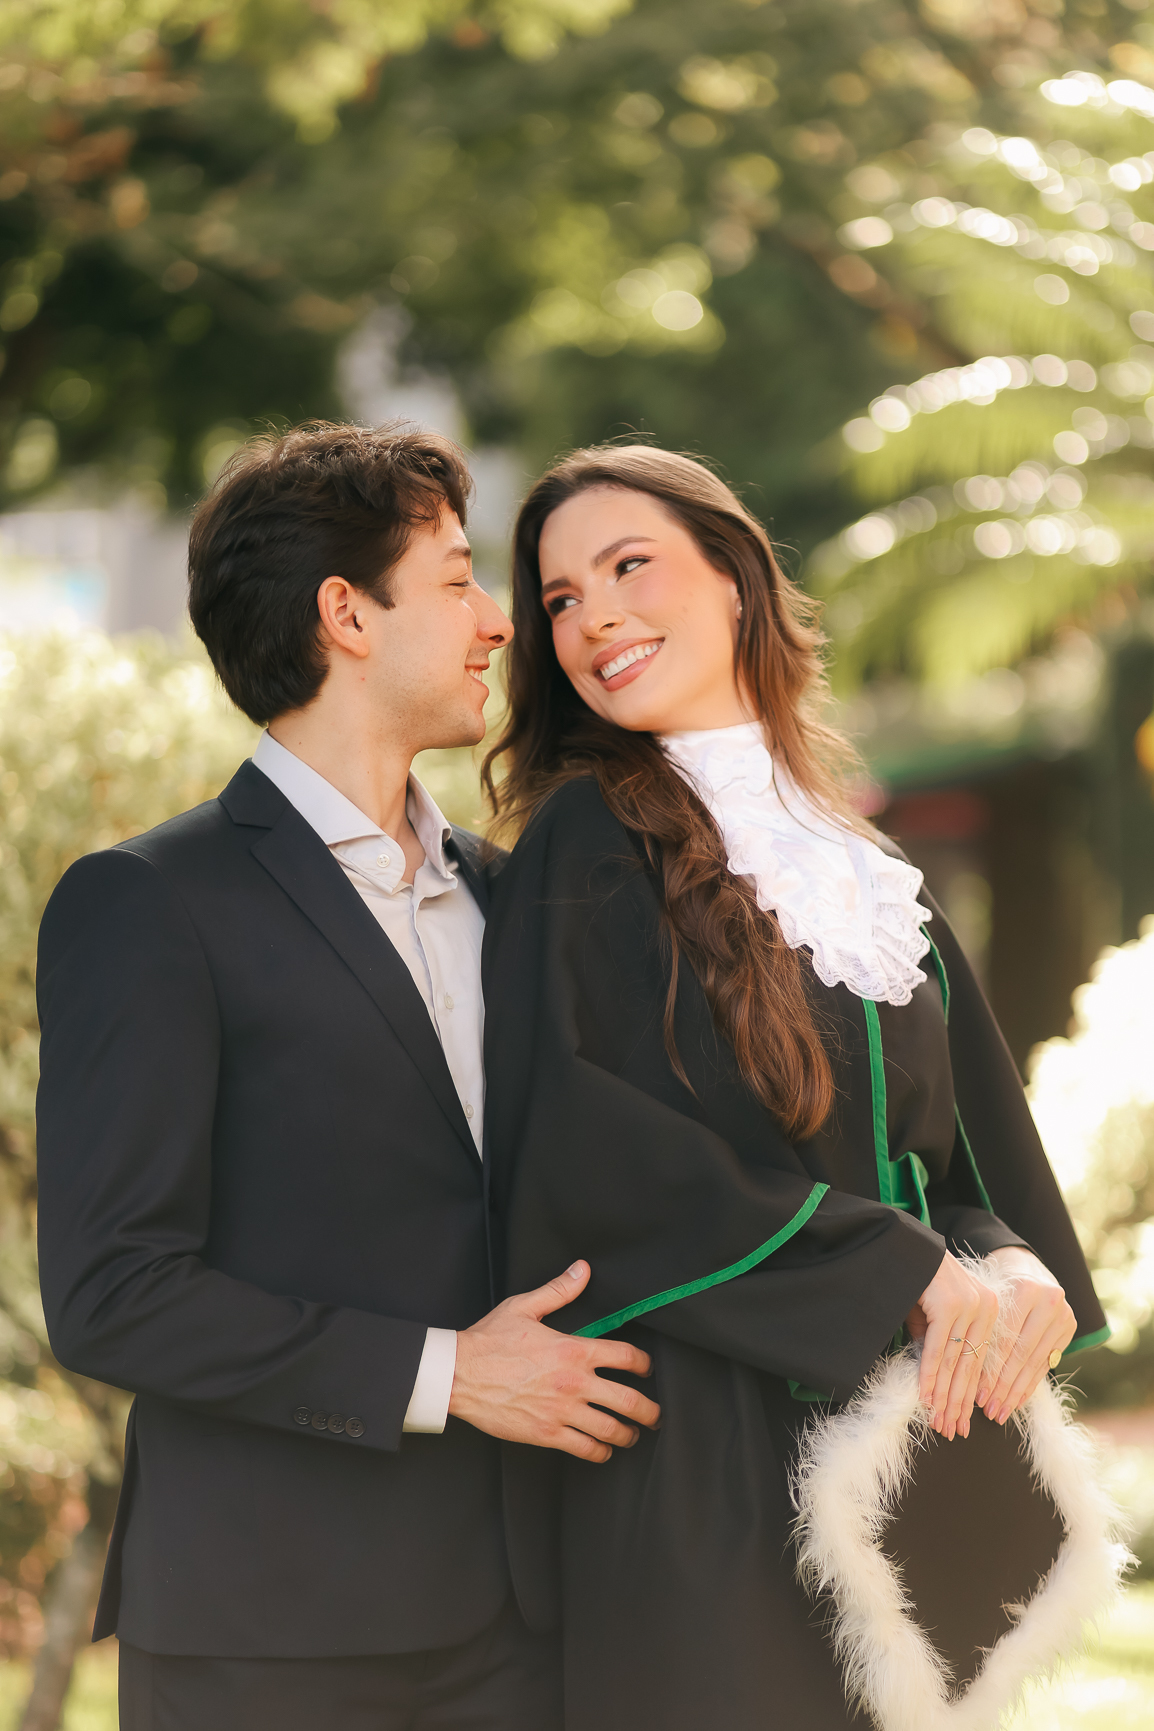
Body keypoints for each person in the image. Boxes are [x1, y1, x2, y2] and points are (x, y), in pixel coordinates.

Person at [35, 423, 659, 1731]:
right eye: (456, 580)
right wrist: (446, 1374)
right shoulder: (150, 904)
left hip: (528, 1623)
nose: (499, 623)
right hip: (271, 1638)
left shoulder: (513, 897)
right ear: (346, 615)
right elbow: (113, 1295)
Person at [480, 443, 1109, 1731]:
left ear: (735, 576)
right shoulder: (587, 841)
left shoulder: (861, 864)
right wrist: (893, 1267)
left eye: (629, 565)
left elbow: (948, 1157)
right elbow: (583, 1144)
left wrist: (1011, 1262)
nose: (594, 616)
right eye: (561, 598)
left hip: (902, 1459)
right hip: (700, 1466)